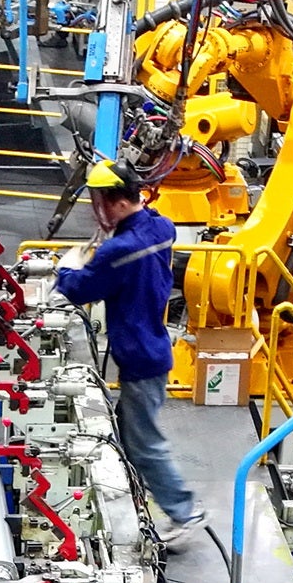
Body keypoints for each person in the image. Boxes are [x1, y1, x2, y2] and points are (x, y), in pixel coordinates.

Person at [54, 161, 201, 541]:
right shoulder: (160, 228)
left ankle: (184, 513)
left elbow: (80, 289)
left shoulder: (120, 250)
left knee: (146, 444)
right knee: (130, 434)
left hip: (139, 358)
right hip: (154, 347)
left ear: (118, 203)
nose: (97, 211)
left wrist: (67, 268)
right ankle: (142, 496)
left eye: (100, 202)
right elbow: (136, 237)